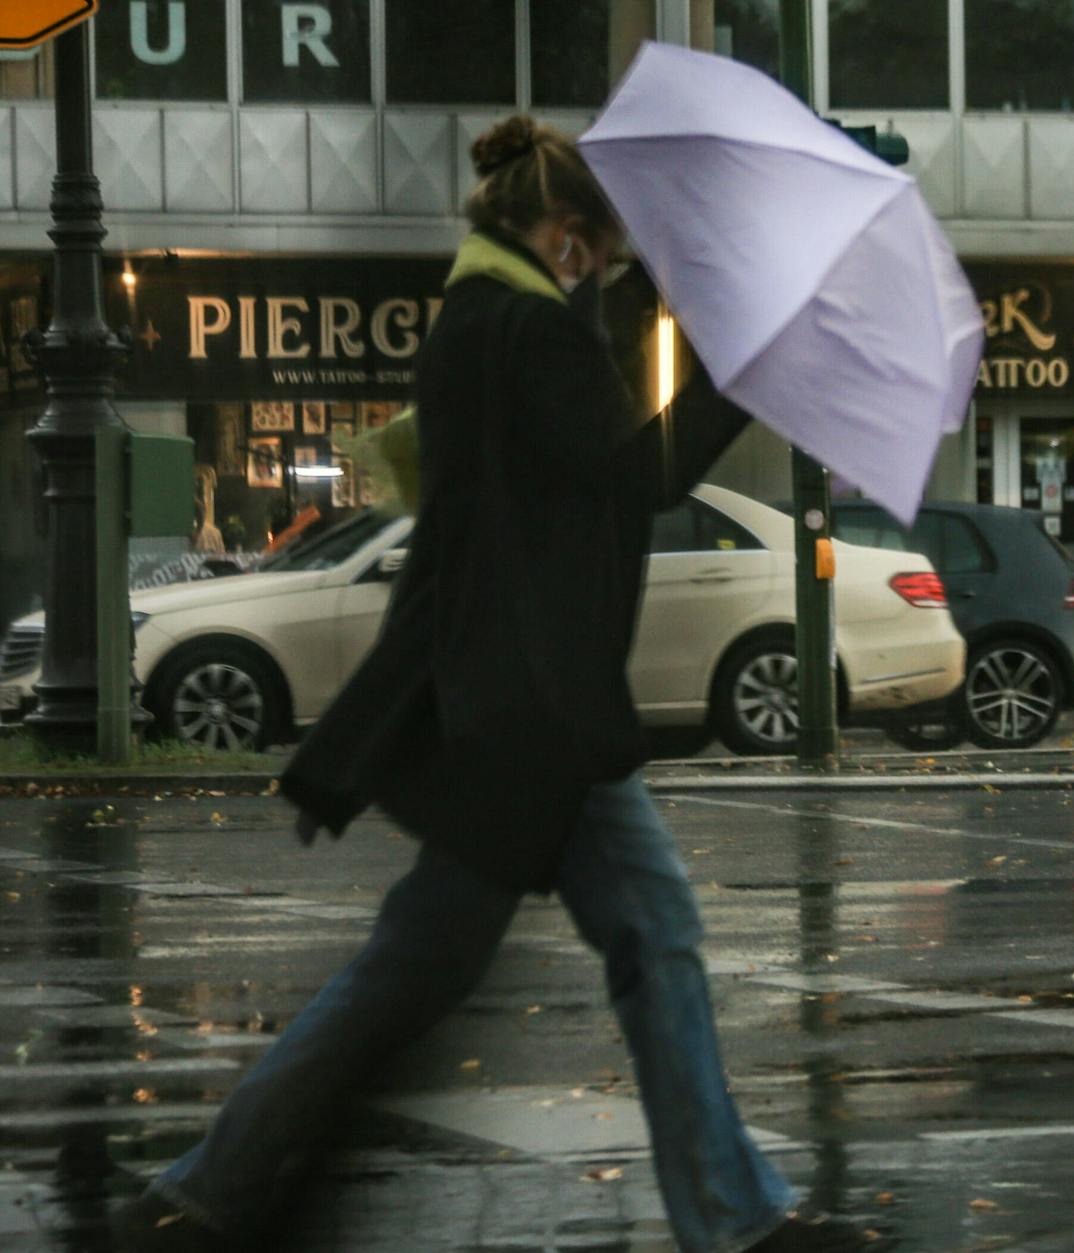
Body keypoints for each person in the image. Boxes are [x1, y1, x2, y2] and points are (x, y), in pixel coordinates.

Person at [113, 117, 860, 1253]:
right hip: (541, 719)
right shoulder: (527, 331)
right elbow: (633, 480)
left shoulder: (480, 318)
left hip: (506, 709)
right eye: (600, 252)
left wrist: (352, 740)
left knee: (427, 964)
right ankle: (738, 1221)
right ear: (563, 237)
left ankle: (201, 1195)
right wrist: (741, 368)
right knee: (643, 937)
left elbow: (485, 528)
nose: (604, 270)